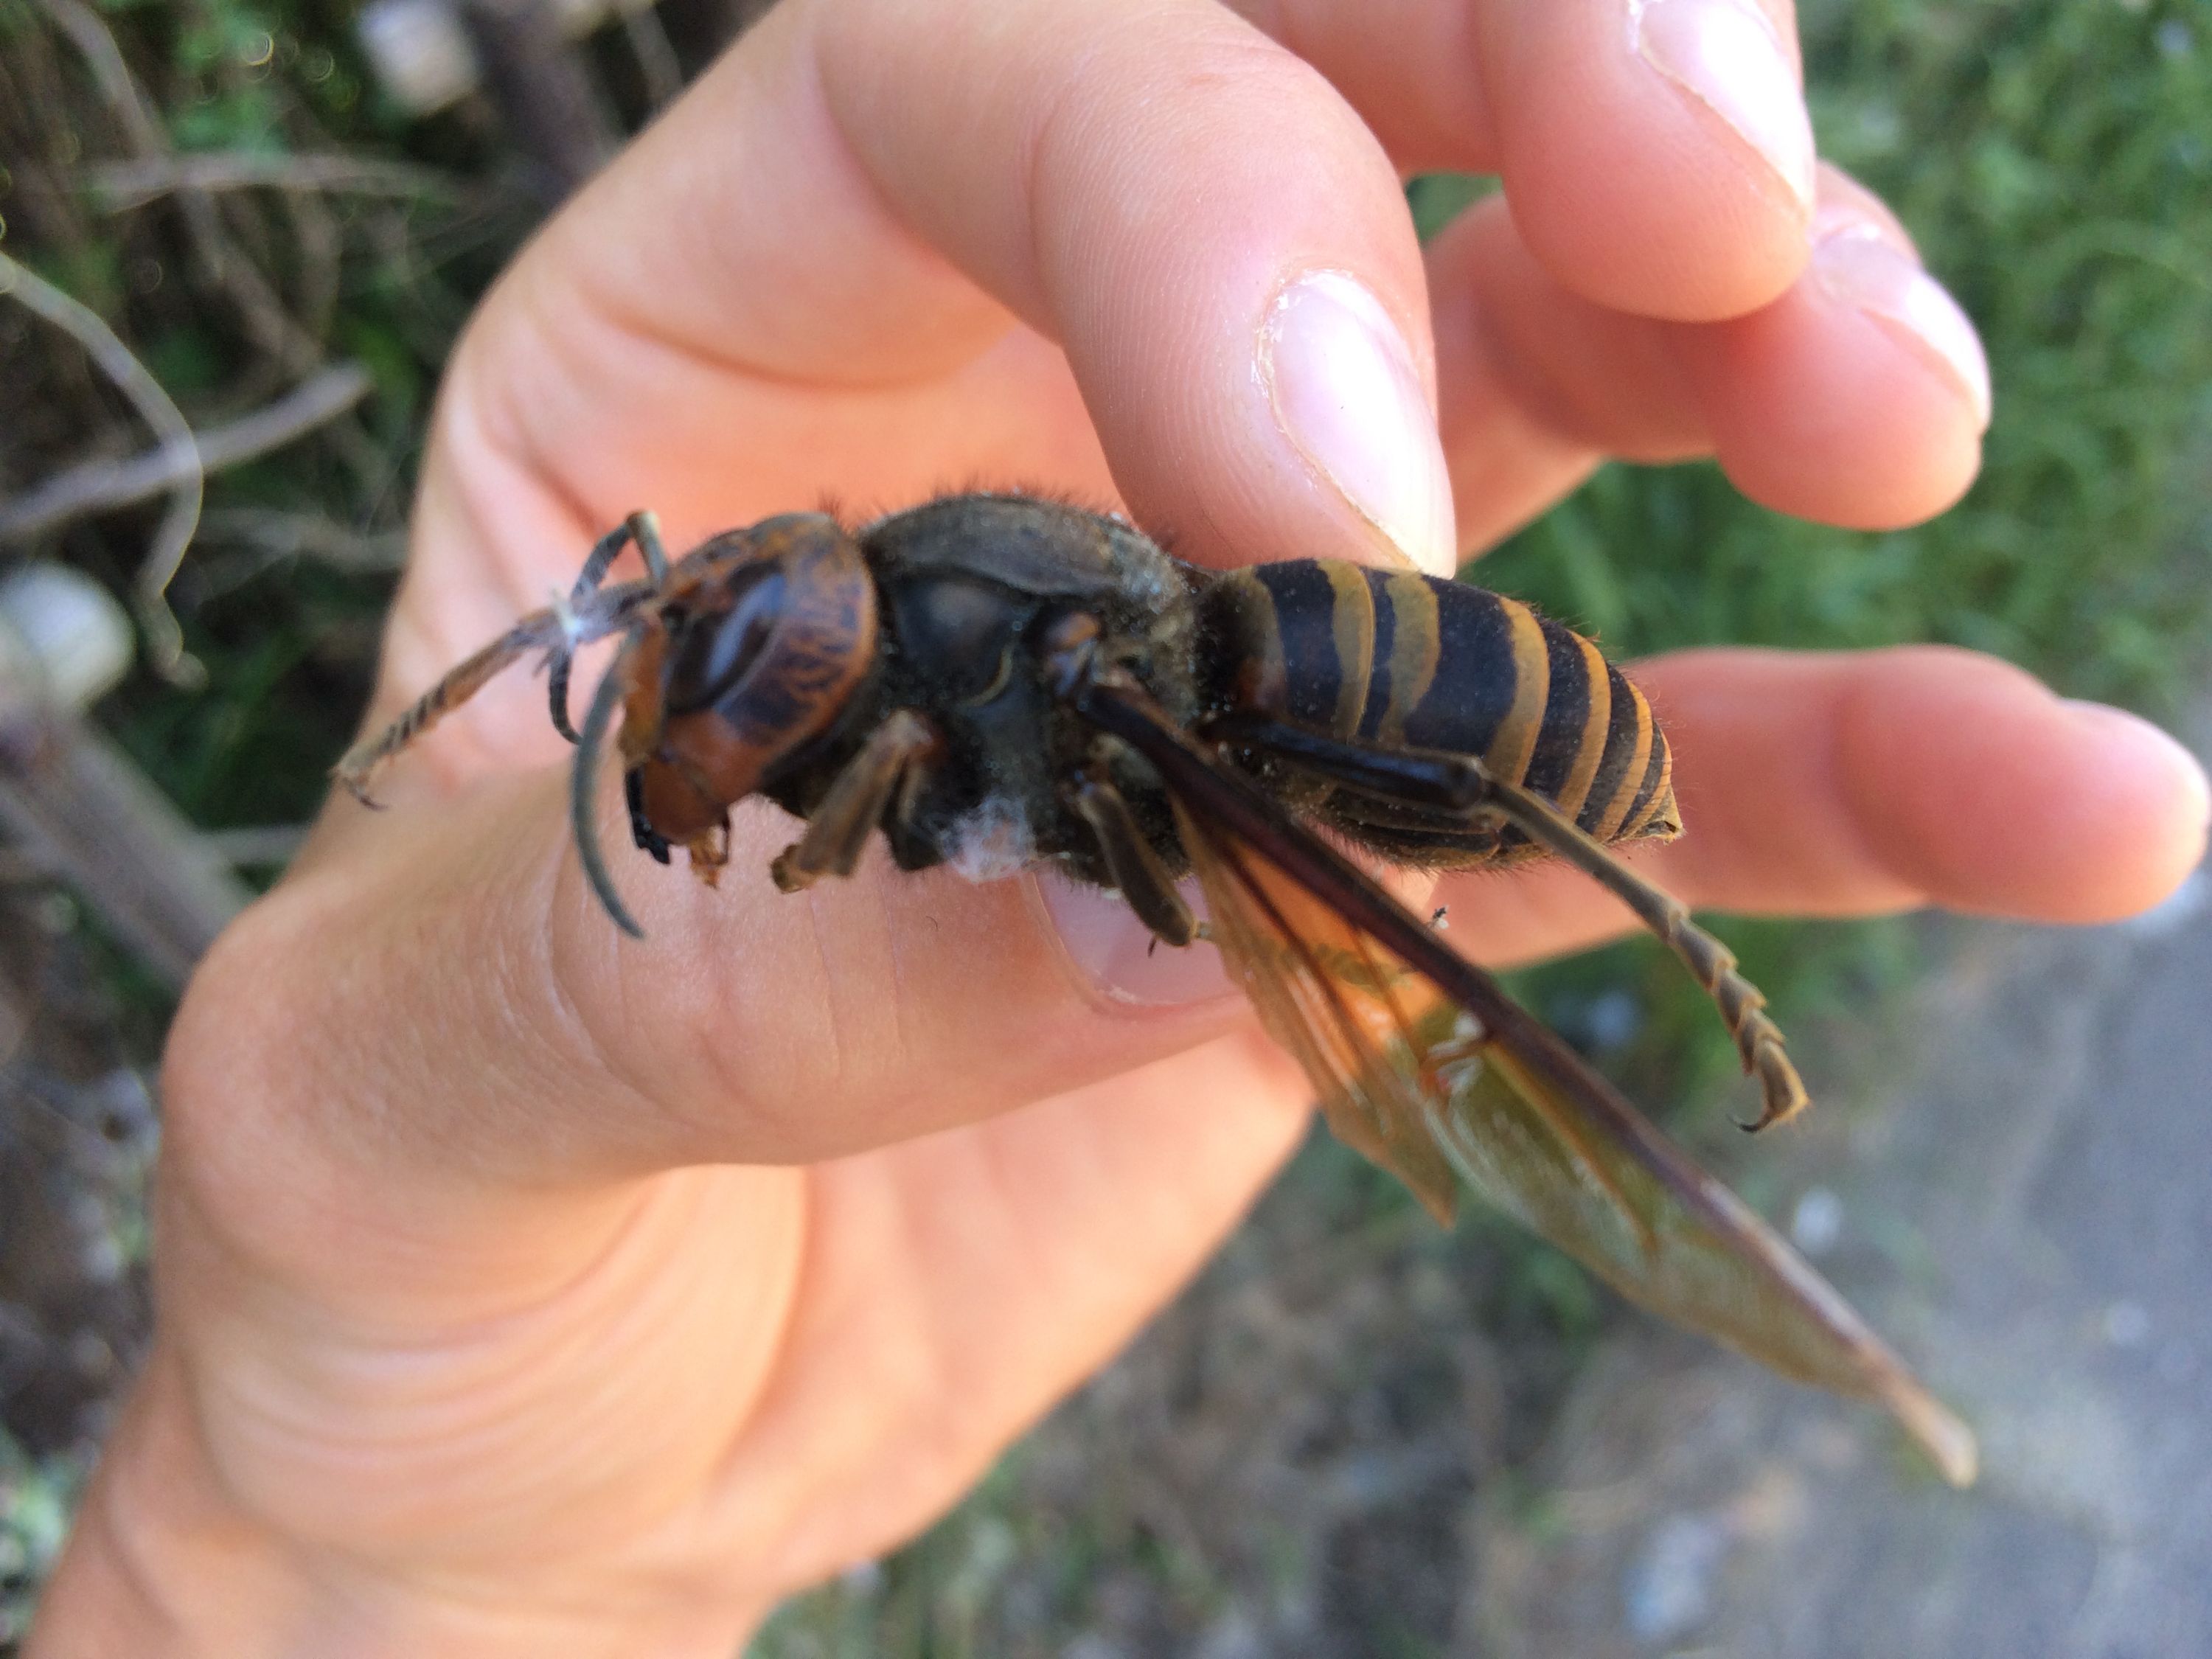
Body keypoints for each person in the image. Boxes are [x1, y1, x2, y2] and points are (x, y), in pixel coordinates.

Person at [29, 0, 2208, 1652]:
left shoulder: (1029, 705)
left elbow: (940, 791)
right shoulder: (932, 636)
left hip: (1362, 718)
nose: (725, 725)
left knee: (1458, 811)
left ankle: (1686, 927)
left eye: (745, 684)